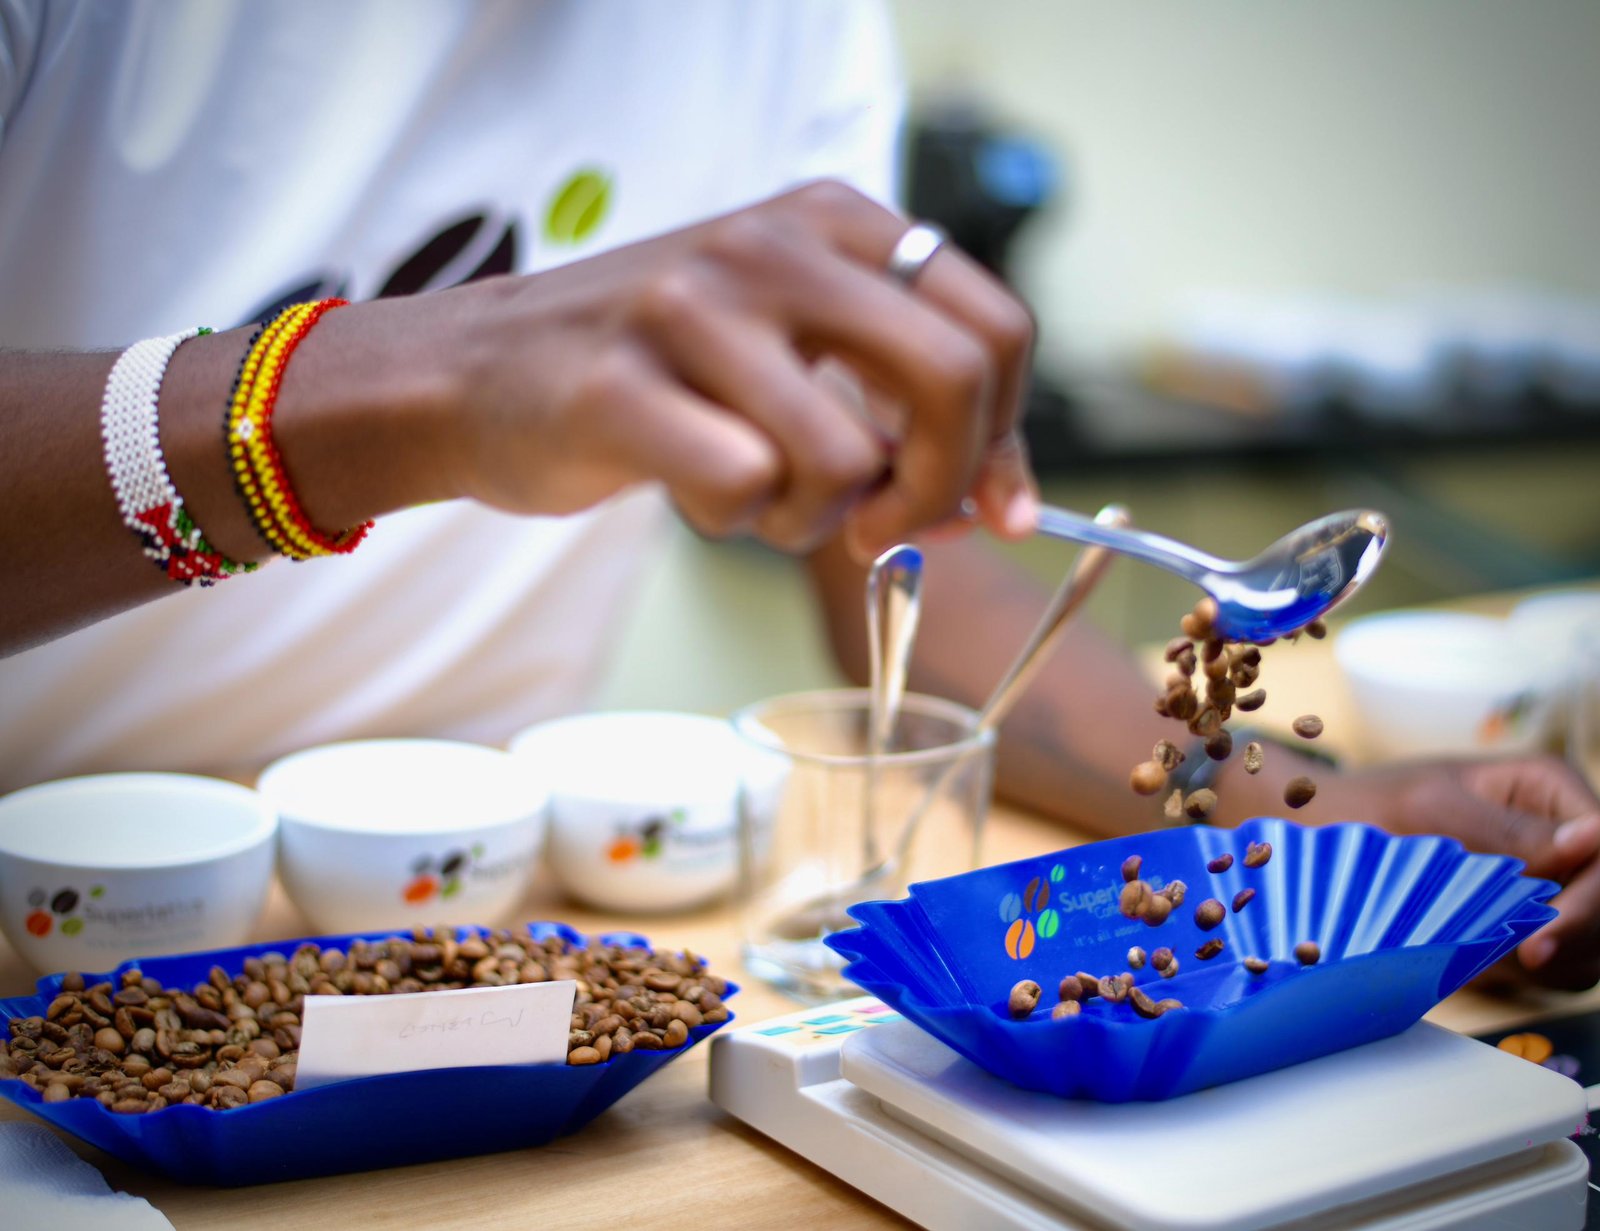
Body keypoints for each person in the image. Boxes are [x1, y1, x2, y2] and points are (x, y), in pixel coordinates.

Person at [1, 1, 1597, 990]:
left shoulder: (781, 22)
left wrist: (1307, 822)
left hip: (483, 923)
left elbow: (915, 559)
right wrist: (405, 391)